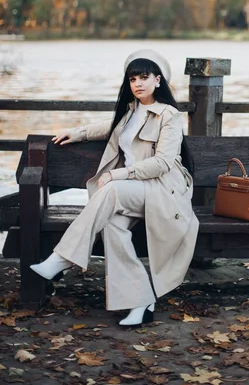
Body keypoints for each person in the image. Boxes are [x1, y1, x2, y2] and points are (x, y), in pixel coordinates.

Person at [30, 49, 199, 326]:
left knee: (109, 189)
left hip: (162, 191)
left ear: (158, 80)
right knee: (112, 228)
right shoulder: (131, 111)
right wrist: (77, 132)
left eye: (144, 77)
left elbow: (163, 163)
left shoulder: (169, 114)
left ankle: (61, 260)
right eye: (133, 79)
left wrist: (120, 174)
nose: (138, 84)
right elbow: (108, 128)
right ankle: (140, 302)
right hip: (135, 192)